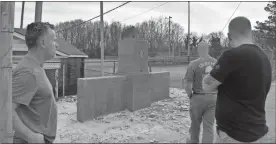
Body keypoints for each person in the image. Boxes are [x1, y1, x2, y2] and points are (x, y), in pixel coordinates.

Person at [202, 16, 272, 143]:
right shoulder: (264, 58)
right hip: (260, 133)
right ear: (250, 33)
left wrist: (209, 74)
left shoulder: (231, 55)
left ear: (229, 36)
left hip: (234, 135)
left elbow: (207, 86)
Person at [12, 22, 58, 143]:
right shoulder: (28, 71)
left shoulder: (36, 67)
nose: (56, 44)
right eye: (53, 40)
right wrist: (31, 136)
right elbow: (5, 110)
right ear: (43, 43)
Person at [183, 41, 217, 143]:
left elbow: (188, 84)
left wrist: (190, 95)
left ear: (198, 50)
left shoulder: (193, 64)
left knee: (195, 126)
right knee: (209, 127)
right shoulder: (216, 63)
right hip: (213, 98)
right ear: (208, 49)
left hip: (198, 97)